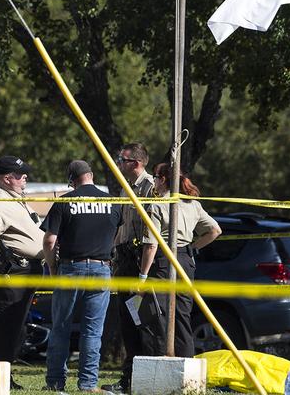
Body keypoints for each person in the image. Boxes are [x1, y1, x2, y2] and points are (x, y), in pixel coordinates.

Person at [42, 160, 121, 393]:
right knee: (93, 331)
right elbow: (118, 233)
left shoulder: (64, 202)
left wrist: (53, 267)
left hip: (70, 268)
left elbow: (49, 241)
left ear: (71, 180)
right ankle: (87, 384)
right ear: (92, 176)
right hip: (101, 268)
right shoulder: (112, 202)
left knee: (61, 327)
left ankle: (55, 383)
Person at [139, 162, 222, 357]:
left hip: (162, 261)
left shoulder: (157, 205)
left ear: (163, 179)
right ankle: (186, 365)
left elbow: (151, 245)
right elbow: (215, 231)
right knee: (183, 317)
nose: (154, 182)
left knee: (156, 316)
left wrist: (142, 277)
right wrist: (192, 248)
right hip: (186, 261)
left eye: (156, 177)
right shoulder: (193, 203)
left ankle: (158, 366)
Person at [0, 155, 45, 390]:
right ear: (7, 178)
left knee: (16, 327)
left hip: (26, 271)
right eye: (19, 174)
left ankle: (2, 375)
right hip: (11, 272)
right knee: (5, 326)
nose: (24, 176)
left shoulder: (17, 198)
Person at [102, 143, 154, 394]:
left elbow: (152, 232)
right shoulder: (126, 189)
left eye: (121, 160)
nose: (118, 164)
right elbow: (122, 227)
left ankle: (140, 379)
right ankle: (128, 379)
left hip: (140, 262)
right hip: (124, 259)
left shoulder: (150, 187)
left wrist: (144, 272)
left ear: (136, 163)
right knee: (127, 321)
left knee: (142, 322)